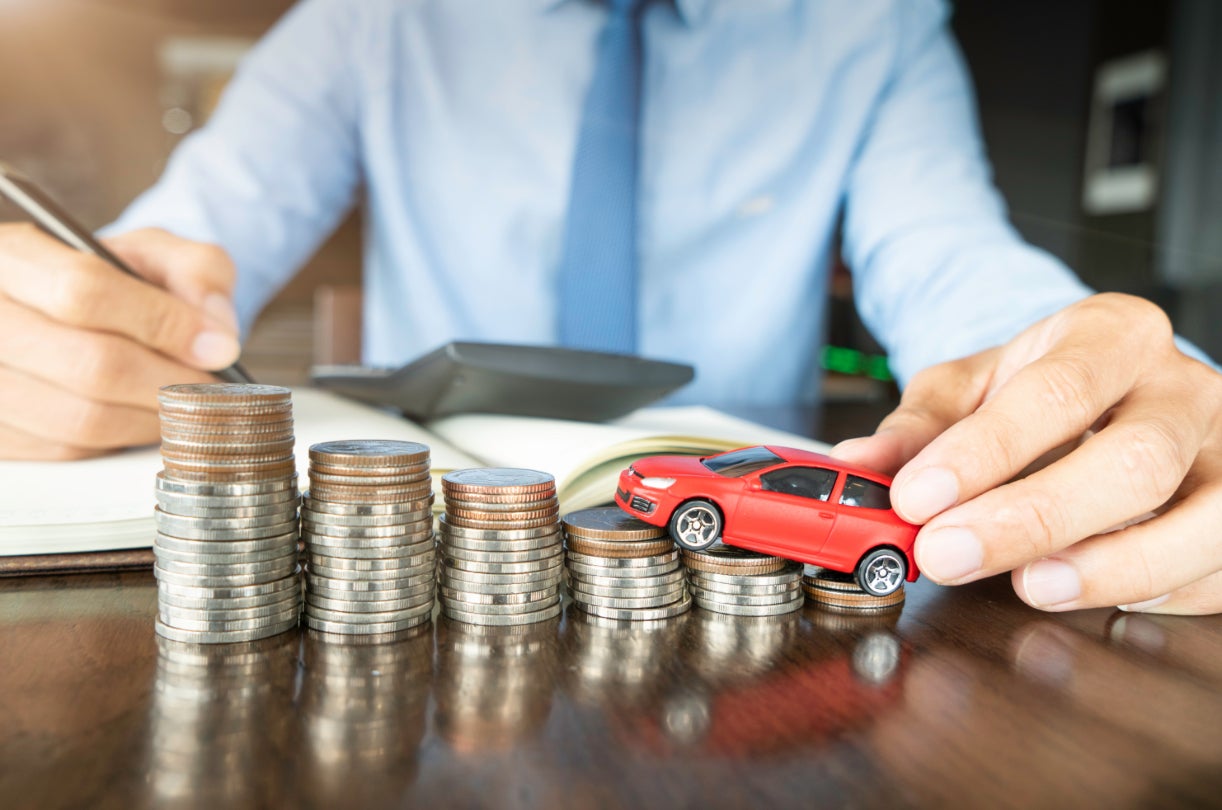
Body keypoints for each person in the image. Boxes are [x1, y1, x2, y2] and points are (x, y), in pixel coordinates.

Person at [0, 0, 1218, 616]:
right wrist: (86, 315)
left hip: (745, 589)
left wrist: (1084, 376)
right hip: (420, 564)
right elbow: (198, 227)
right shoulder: (371, 15)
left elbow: (959, 264)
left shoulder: (872, 24)